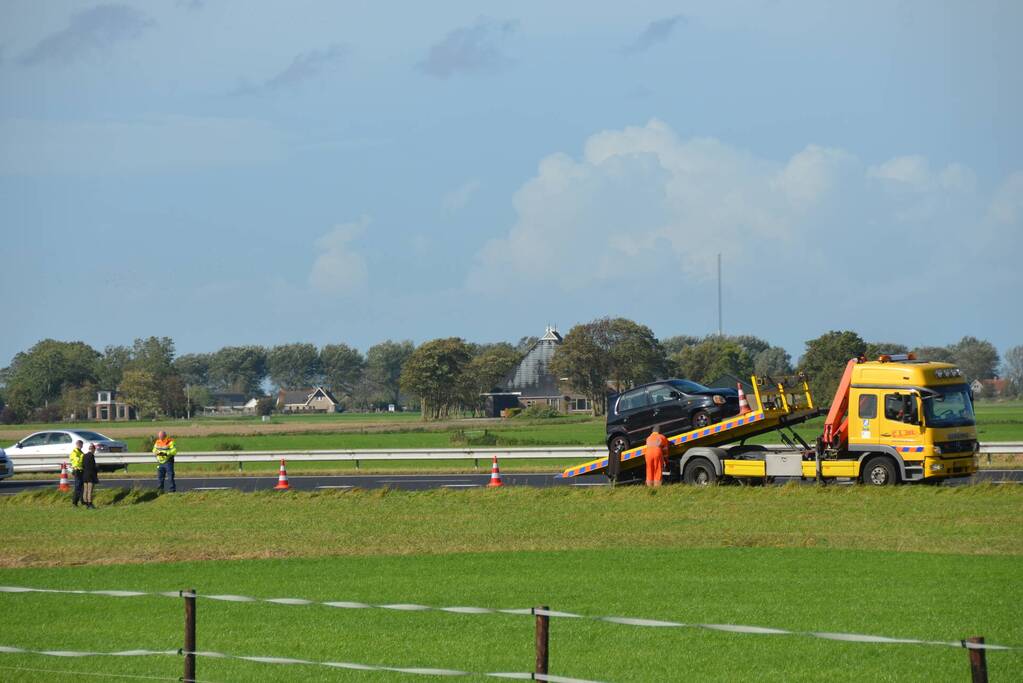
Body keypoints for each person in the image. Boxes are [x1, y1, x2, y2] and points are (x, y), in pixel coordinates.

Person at [81, 443, 99, 509]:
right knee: (90, 490)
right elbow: (92, 467)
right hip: (91, 475)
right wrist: (97, 469)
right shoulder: (91, 456)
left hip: (85, 474)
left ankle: (85, 503)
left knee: (85, 490)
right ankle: (90, 504)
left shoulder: (84, 455)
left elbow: (83, 465)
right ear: (93, 449)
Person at [69, 439, 85, 507]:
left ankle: (82, 501)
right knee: (78, 487)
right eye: (80, 444)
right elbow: (77, 461)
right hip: (77, 470)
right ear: (77, 444)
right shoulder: (74, 452)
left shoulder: (80, 452)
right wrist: (83, 456)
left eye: (81, 444)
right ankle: (74, 502)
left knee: (82, 487)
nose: (81, 445)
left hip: (81, 470)